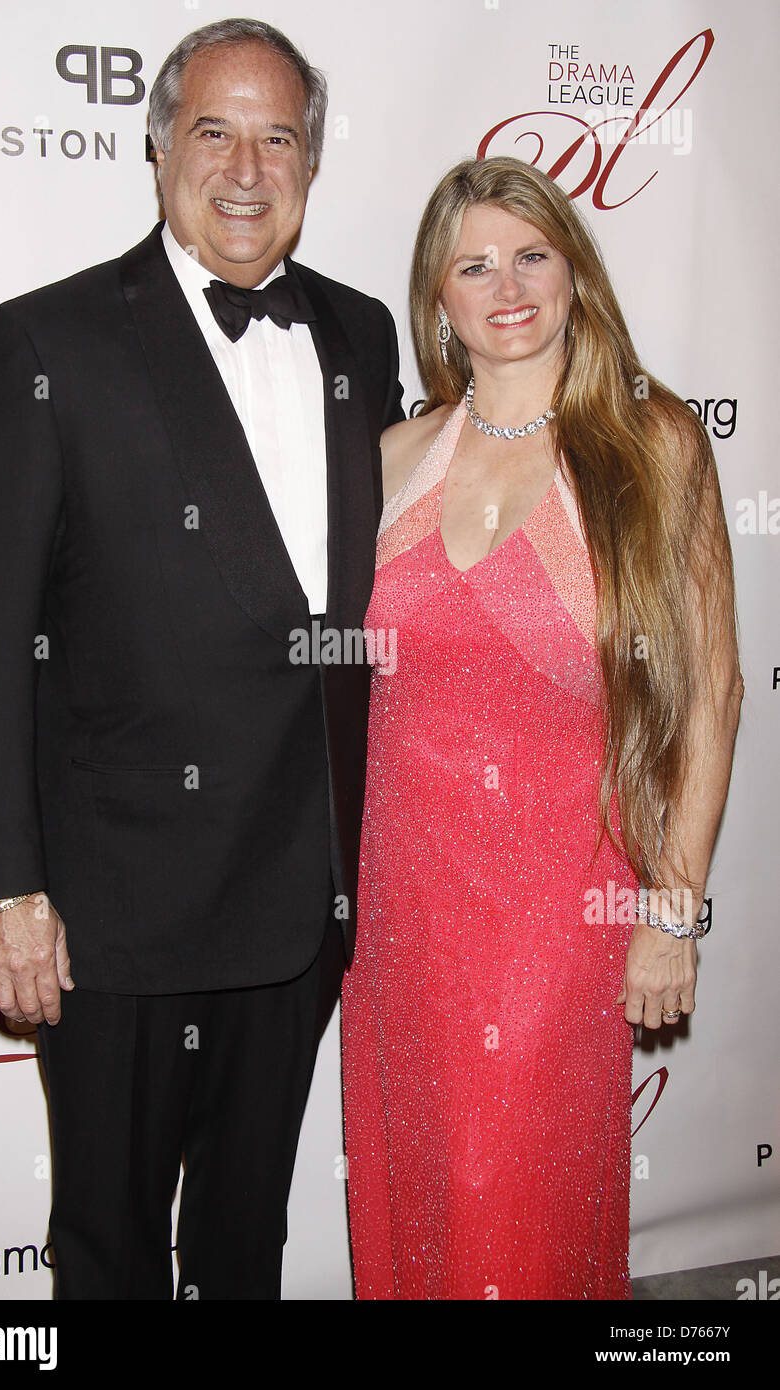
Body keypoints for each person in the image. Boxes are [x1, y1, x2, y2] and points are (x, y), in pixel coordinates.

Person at [0, 18, 403, 1300]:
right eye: (213, 131)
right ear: (157, 149)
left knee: (248, 1239)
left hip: (303, 894)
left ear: (311, 160)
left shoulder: (360, 339)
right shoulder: (47, 342)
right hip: (113, 911)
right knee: (112, 1245)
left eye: (278, 137)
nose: (247, 168)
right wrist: (1, 887)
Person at [340, 155, 743, 1300]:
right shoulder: (390, 460)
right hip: (402, 914)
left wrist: (671, 906)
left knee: (513, 1205)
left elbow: (711, 687)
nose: (505, 285)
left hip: (564, 912)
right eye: (472, 264)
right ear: (438, 297)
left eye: (530, 254)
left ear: (575, 269)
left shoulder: (652, 443)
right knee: (411, 1190)